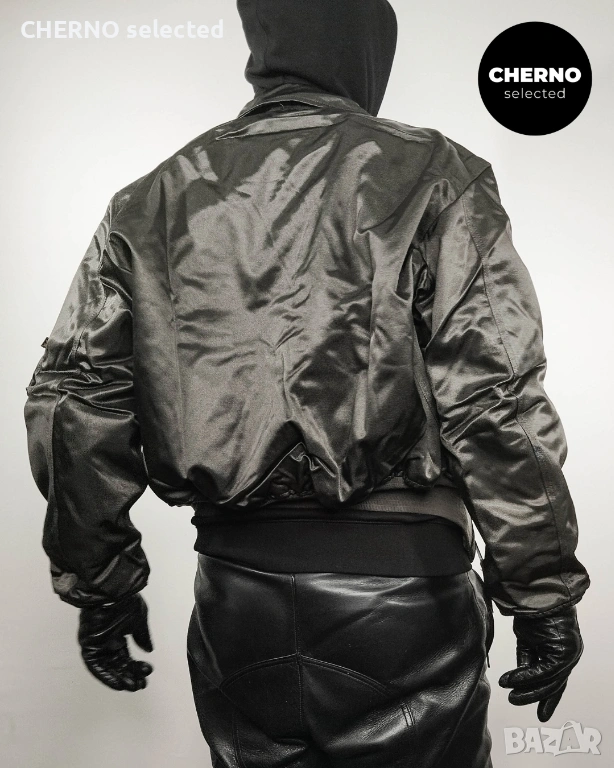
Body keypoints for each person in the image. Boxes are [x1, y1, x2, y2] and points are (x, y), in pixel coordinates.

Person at [24, 1, 589, 765]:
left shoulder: (150, 200)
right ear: (364, 50)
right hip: (404, 599)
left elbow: (74, 397)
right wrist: (541, 590)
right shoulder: (433, 175)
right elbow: (493, 394)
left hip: (238, 605)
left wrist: (102, 586)